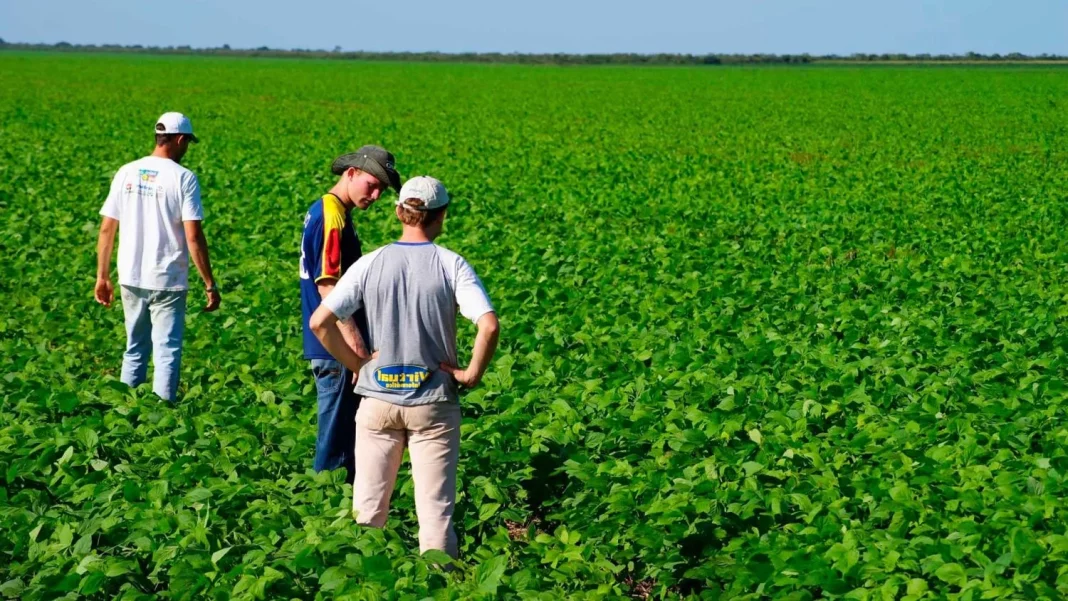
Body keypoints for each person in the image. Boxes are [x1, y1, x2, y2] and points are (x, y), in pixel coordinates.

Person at [310, 176, 500, 559]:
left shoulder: (370, 262)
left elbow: (320, 323)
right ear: (440, 216)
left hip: (377, 402)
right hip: (433, 402)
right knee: (435, 513)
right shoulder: (451, 264)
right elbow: (489, 324)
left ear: (400, 212)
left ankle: (364, 582)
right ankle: (439, 585)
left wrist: (359, 365)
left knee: (368, 508)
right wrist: (470, 374)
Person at [95, 112, 221, 402]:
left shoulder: (126, 171)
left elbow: (106, 229)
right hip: (167, 278)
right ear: (179, 139)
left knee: (134, 347)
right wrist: (209, 283)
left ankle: (125, 410)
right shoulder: (184, 178)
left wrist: (102, 276)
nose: (186, 148)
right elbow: (193, 236)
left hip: (130, 276)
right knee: (166, 349)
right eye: (187, 143)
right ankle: (163, 411)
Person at [300, 146, 401, 481]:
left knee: (344, 432)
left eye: (381, 191)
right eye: (372, 184)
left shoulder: (330, 210)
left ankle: (345, 500)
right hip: (335, 348)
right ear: (352, 173)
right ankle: (327, 503)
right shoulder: (332, 215)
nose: (374, 195)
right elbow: (329, 287)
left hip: (330, 344)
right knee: (337, 439)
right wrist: (356, 349)